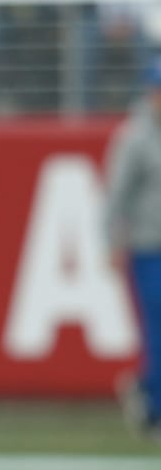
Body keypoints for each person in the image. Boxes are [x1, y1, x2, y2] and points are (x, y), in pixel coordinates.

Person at [105, 56, 161, 442]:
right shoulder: (134, 137)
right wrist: (112, 242)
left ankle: (143, 390)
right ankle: (154, 409)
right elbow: (116, 196)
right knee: (156, 331)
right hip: (148, 247)